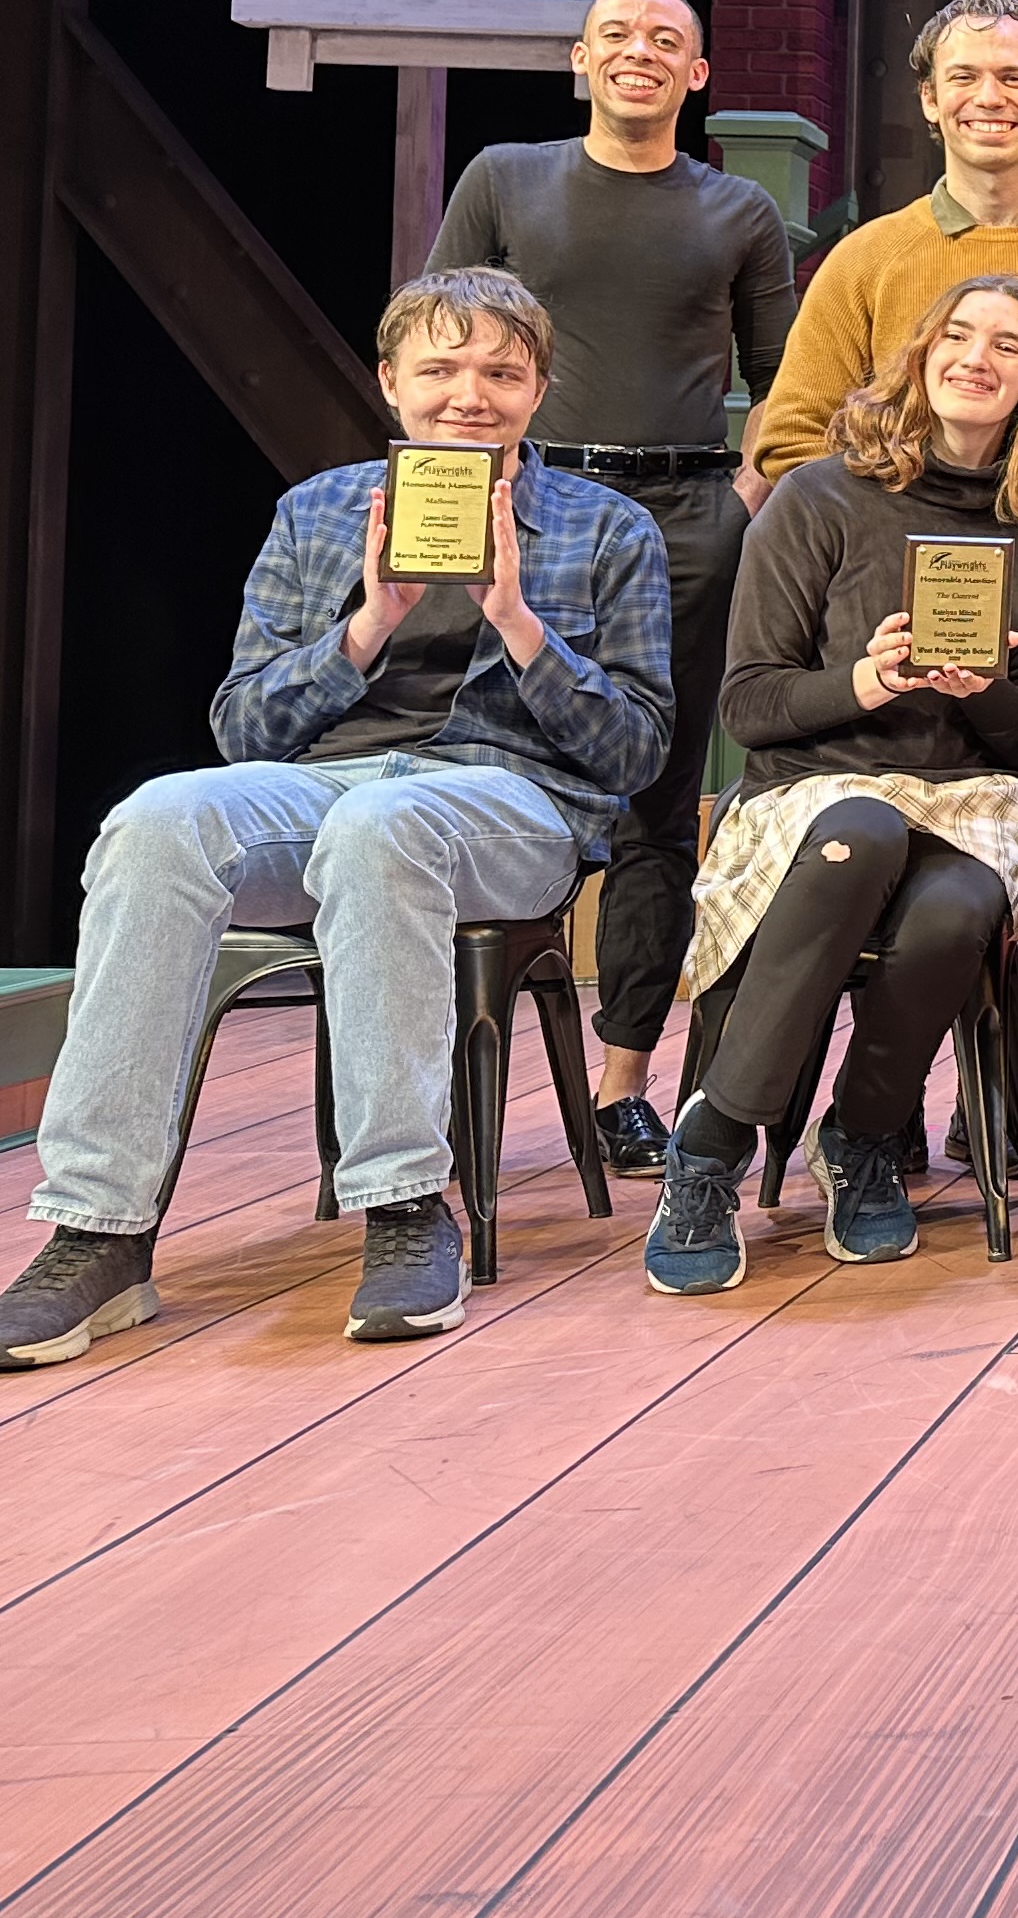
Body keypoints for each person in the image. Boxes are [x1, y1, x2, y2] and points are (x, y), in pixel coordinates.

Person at [0, 272, 670, 1363]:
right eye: (442, 369)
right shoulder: (316, 511)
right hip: (328, 784)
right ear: (391, 381)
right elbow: (243, 729)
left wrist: (519, 622)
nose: (471, 395)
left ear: (538, 390)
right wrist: (368, 625)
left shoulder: (607, 528)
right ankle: (97, 1232)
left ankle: (407, 1206)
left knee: (387, 830)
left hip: (511, 804)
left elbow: (635, 753)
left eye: (502, 372)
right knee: (158, 819)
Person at [638, 277, 1018, 1291]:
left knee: (961, 905)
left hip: (974, 803)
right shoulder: (821, 498)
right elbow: (749, 708)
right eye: (958, 335)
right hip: (816, 790)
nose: (979, 358)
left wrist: (984, 693)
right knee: (865, 833)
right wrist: (866, 680)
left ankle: (862, 1136)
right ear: (922, 356)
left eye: (1008, 346)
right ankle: (711, 1144)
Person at [427, 0, 795, 1177]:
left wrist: (737, 499)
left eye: (668, 42)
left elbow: (787, 383)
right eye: (619, 36)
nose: (640, 54)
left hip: (685, 515)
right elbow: (438, 336)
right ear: (580, 57)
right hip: (527, 506)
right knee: (461, 758)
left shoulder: (737, 209)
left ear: (698, 76)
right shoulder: (504, 177)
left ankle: (624, 1077)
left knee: (658, 787)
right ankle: (431, 1074)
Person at [751, 0, 1018, 515]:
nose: (990, 97)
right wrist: (883, 537)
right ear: (930, 98)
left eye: (1014, 78)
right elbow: (794, 435)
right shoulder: (863, 259)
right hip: (885, 576)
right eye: (964, 77)